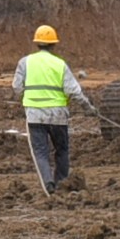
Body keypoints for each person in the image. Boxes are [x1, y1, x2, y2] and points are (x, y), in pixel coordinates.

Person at [16, 24, 89, 190]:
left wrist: (28, 98)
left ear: (37, 43)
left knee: (41, 152)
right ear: (53, 44)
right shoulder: (60, 64)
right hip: (58, 115)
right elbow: (74, 91)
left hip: (34, 115)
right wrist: (88, 107)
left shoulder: (25, 62)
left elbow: (17, 87)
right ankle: (62, 182)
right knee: (61, 150)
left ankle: (48, 183)